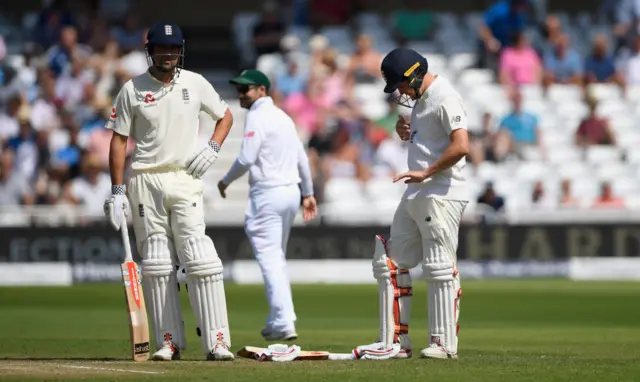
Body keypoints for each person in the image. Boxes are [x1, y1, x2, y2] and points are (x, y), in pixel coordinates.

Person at [103, 21, 235, 361]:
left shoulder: (196, 83)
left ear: (181, 50)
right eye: (162, 48)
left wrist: (213, 148)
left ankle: (218, 341)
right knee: (158, 263)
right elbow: (118, 141)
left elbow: (226, 116)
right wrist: (118, 189)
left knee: (201, 258)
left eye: (174, 48)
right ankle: (169, 341)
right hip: (146, 181)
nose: (168, 54)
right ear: (150, 51)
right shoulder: (132, 89)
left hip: (184, 177)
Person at [354, 48, 469, 360]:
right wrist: (406, 133)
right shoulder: (420, 101)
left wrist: (427, 171)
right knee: (391, 262)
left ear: (416, 73)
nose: (401, 93)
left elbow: (462, 146)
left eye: (401, 85)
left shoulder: (445, 96)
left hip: (442, 193)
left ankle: (444, 344)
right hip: (417, 192)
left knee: (439, 267)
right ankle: (395, 341)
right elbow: (431, 142)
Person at [218, 69, 317, 341]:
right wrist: (307, 193)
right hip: (289, 193)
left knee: (271, 259)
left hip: (269, 194)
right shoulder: (283, 117)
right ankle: (277, 319)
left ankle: (284, 321)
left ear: (262, 90)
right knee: (277, 258)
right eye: (238, 89)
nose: (240, 94)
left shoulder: (257, 115)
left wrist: (225, 181)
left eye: (245, 89)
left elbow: (247, 158)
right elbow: (301, 157)